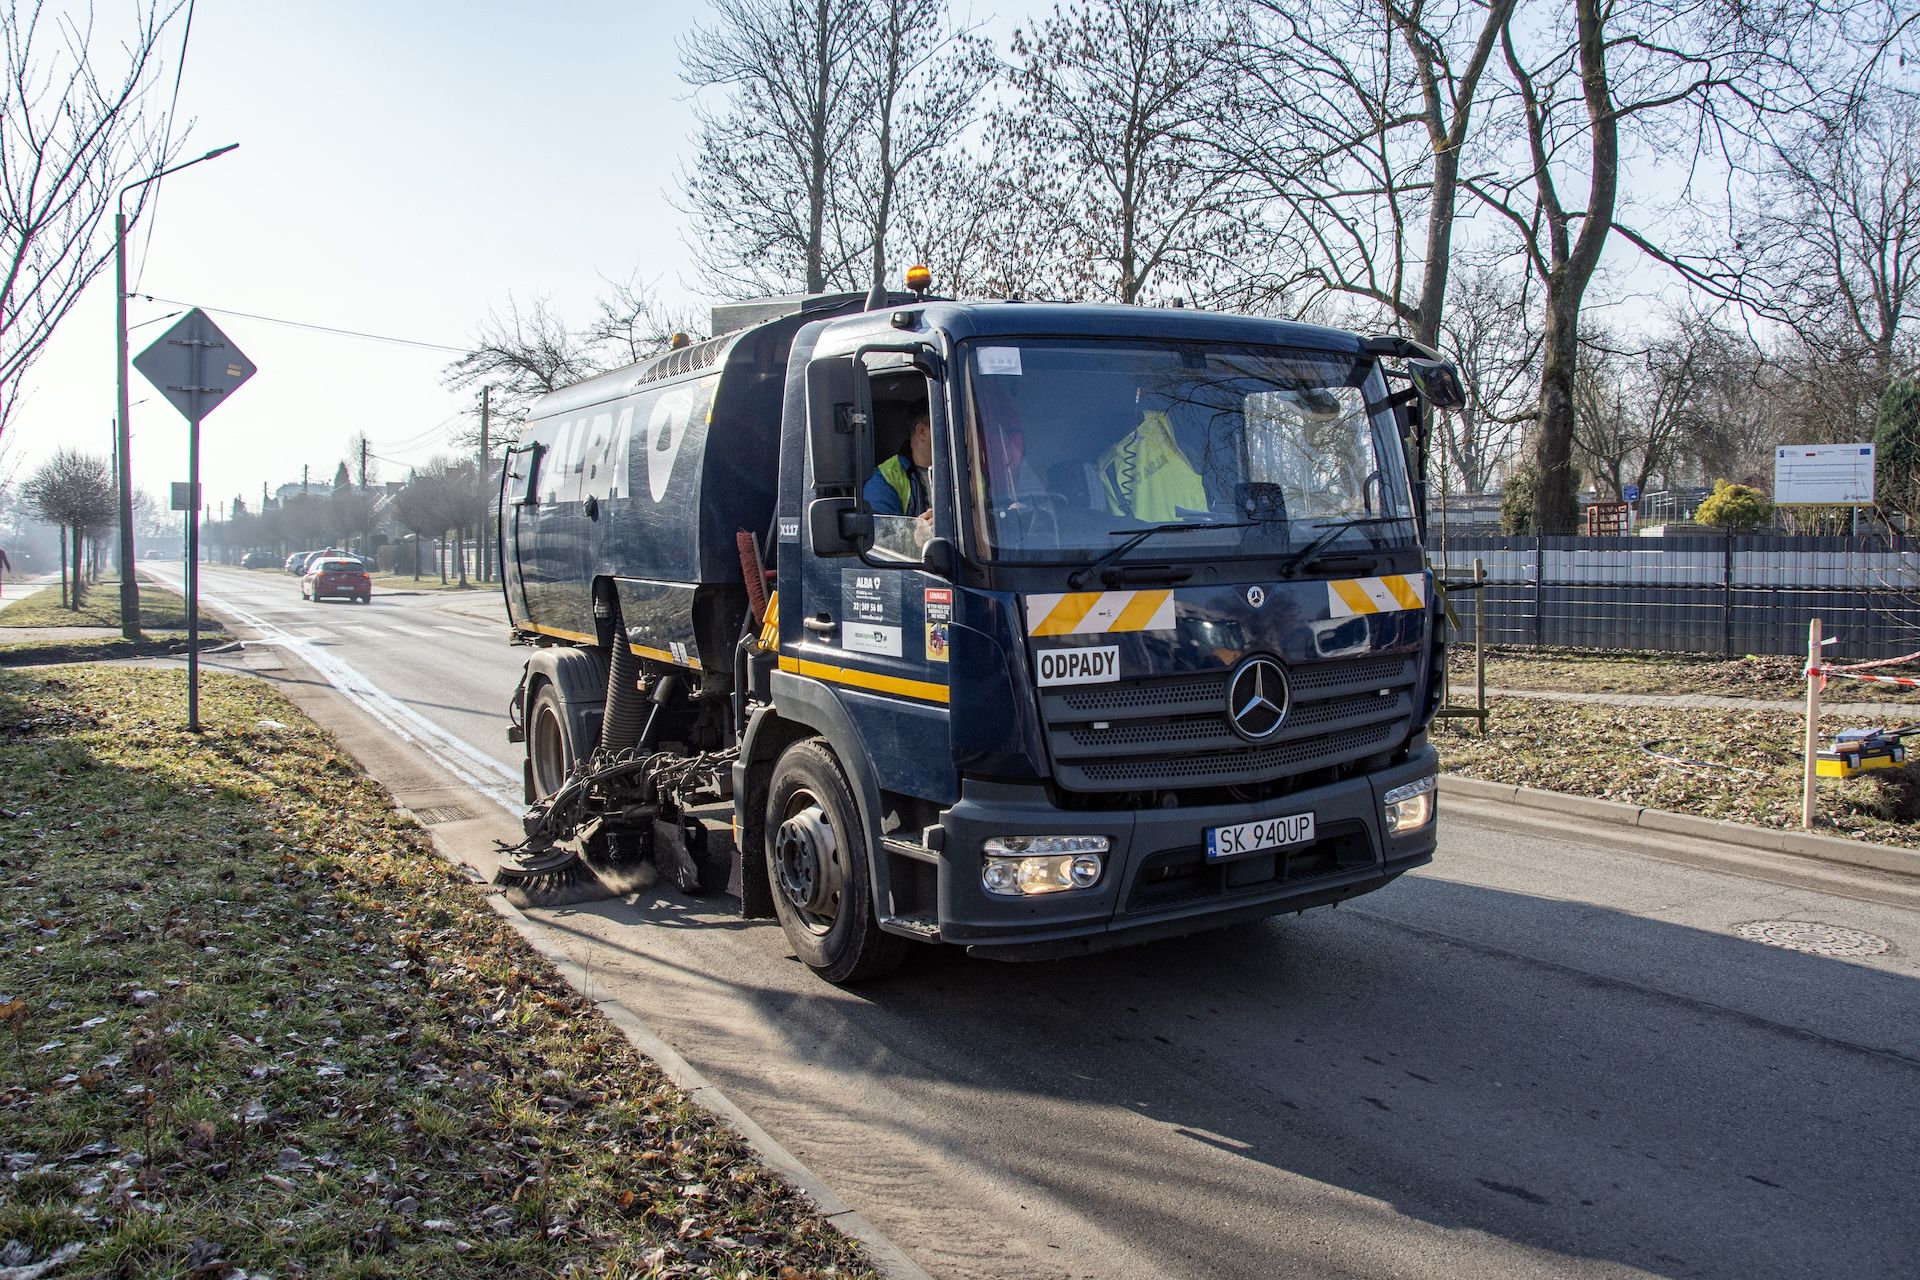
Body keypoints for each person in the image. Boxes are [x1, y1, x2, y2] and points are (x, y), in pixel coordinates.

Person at [863, 409, 934, 555]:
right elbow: (876, 542)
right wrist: (915, 538)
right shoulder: (884, 479)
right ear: (922, 431)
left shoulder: (969, 474)